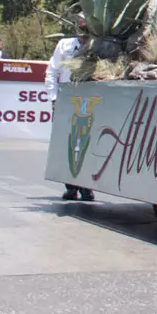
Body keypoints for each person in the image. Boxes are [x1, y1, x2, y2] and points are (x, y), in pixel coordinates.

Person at [46, 18, 94, 202]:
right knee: (67, 142)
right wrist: (54, 97)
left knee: (87, 142)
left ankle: (86, 187)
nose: (83, 30)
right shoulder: (64, 45)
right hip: (66, 99)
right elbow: (52, 70)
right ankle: (71, 187)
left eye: (87, 27)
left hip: (88, 98)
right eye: (81, 26)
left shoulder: (98, 45)